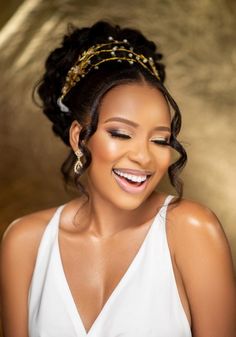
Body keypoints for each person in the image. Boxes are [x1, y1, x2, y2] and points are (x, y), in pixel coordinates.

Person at [0, 20, 235, 337]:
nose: (143, 156)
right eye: (121, 134)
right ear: (79, 137)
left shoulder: (191, 231)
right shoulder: (25, 242)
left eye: (161, 140)